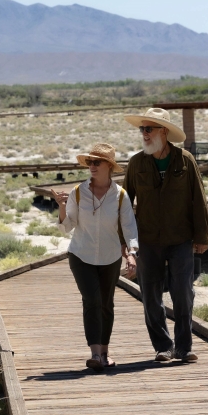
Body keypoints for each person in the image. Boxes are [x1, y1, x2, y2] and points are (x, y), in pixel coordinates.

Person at [123, 108, 208, 363]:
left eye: (148, 129)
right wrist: (126, 243)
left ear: (164, 131)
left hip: (180, 238)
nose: (144, 134)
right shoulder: (137, 162)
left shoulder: (185, 160)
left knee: (183, 292)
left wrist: (201, 236)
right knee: (150, 294)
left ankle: (184, 347)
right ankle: (162, 347)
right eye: (142, 129)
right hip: (147, 240)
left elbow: (198, 200)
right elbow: (125, 203)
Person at [55, 143, 138, 372]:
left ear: (109, 166)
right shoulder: (78, 193)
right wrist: (62, 207)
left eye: (96, 162)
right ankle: (94, 354)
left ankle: (104, 354)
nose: (92, 166)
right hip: (81, 255)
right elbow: (67, 227)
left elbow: (130, 228)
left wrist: (131, 254)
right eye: (89, 162)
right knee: (92, 300)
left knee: (106, 304)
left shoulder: (120, 196)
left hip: (110, 257)